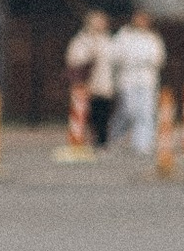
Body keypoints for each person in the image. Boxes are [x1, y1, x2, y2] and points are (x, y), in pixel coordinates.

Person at [110, 9, 165, 160]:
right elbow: (115, 55)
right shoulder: (124, 35)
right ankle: (115, 137)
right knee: (129, 110)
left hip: (147, 79)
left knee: (146, 112)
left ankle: (142, 144)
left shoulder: (152, 38)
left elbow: (158, 58)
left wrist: (145, 61)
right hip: (128, 79)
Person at [66, 8, 118, 149]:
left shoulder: (108, 40)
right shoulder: (82, 39)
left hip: (104, 80)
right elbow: (74, 59)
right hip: (87, 81)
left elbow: (114, 58)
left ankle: (102, 140)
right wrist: (89, 55)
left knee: (104, 111)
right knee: (90, 112)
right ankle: (85, 139)